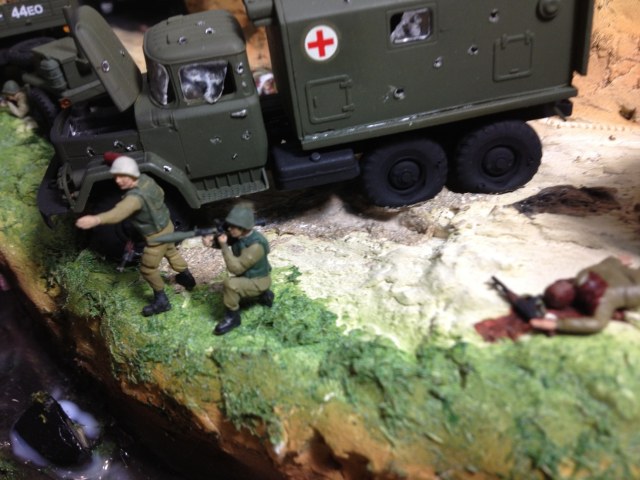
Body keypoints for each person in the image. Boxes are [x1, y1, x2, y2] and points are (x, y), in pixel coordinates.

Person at [75, 155, 195, 316]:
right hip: (167, 225)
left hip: (156, 236)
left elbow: (118, 214)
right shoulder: (147, 181)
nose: (118, 181)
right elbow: (161, 193)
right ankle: (187, 278)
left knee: (148, 269)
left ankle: (162, 301)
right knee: (171, 252)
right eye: (116, 176)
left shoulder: (134, 198)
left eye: (121, 176)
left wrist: (96, 219)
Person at [202, 203, 273, 335]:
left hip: (258, 280)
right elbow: (227, 239)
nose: (229, 228)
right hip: (250, 275)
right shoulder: (241, 236)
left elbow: (235, 269)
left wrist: (224, 246)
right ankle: (265, 296)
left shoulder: (255, 246)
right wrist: (212, 241)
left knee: (230, 284)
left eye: (233, 226)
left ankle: (233, 318)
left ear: (244, 228)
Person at [530, 256, 640, 334]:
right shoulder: (584, 275)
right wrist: (618, 260)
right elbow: (608, 263)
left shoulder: (600, 299)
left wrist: (557, 324)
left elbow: (597, 323)